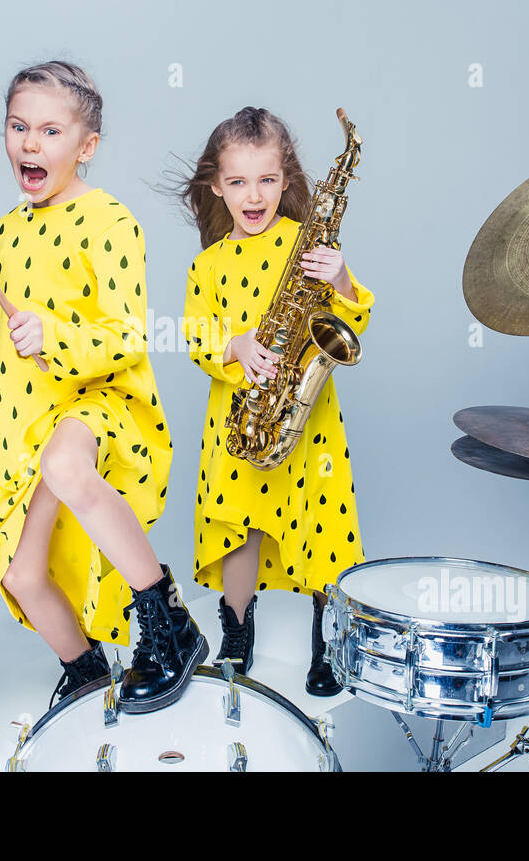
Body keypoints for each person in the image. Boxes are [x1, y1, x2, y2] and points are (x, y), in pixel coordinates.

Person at [0, 61, 206, 712]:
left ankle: (170, 626)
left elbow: (124, 334)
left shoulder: (109, 220)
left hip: (98, 402)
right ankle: (83, 670)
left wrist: (55, 336)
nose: (30, 143)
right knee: (23, 576)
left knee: (65, 461)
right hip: (23, 425)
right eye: (19, 126)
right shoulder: (7, 231)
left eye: (51, 130)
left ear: (87, 145)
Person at [175, 106, 372, 695]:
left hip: (308, 422)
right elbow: (193, 334)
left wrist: (339, 279)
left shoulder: (307, 245)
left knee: (322, 527)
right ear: (217, 186)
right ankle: (236, 633)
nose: (253, 195)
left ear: (286, 179)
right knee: (237, 523)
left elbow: (351, 317)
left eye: (266, 180)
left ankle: (328, 644)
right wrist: (233, 346)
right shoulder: (207, 263)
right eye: (237, 182)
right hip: (240, 416)